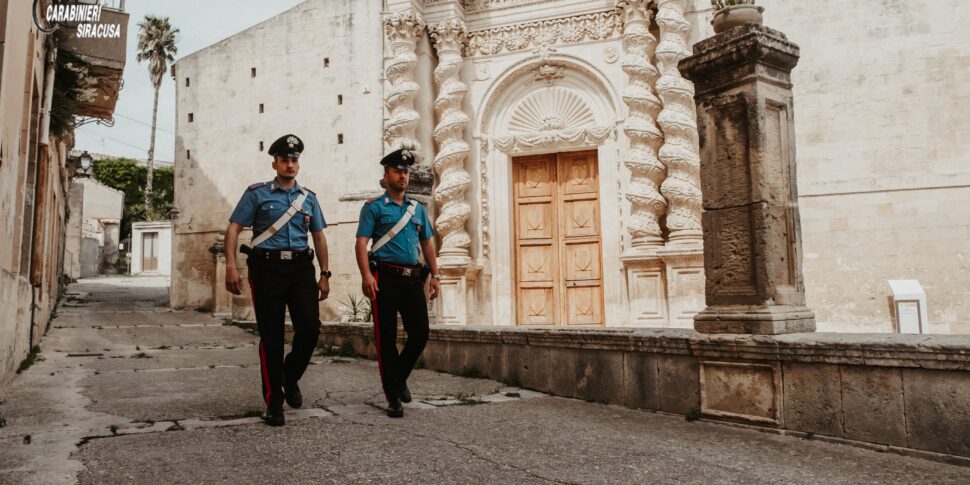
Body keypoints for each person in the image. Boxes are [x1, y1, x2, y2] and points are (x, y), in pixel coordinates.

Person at [224, 134, 331, 427]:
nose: (290, 164)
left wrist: (324, 274)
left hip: (300, 269)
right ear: (275, 163)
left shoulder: (309, 199)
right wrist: (230, 266)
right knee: (271, 337)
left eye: (294, 160)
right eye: (284, 159)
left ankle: (290, 376)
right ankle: (273, 403)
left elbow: (319, 237)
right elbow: (233, 228)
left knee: (309, 329)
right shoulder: (257, 194)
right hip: (267, 269)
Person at [355, 146, 440, 418]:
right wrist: (366, 275)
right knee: (386, 338)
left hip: (412, 278)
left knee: (420, 333)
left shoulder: (417, 209)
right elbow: (361, 243)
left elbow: (427, 242)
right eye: (397, 172)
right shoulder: (374, 208)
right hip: (385, 278)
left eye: (405, 172)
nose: (403, 176)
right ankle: (392, 396)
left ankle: (398, 377)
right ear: (387, 175)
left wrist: (435, 275)